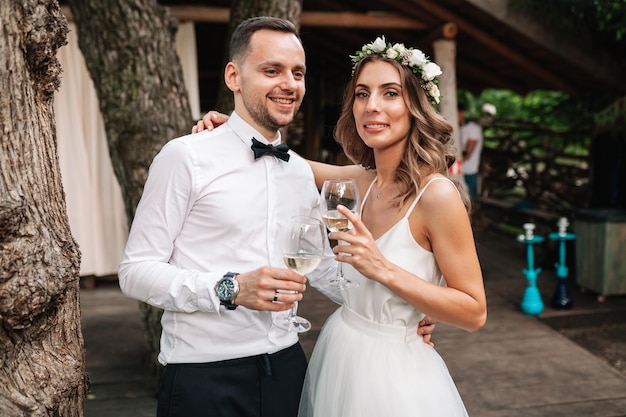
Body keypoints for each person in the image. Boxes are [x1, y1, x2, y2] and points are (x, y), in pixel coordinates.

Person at [120, 18, 434, 417]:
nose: (289, 83)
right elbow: (135, 271)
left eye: (297, 73)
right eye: (272, 70)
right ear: (234, 76)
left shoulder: (300, 172)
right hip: (203, 374)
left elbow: (319, 267)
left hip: (288, 367)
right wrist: (229, 288)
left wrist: (399, 312)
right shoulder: (185, 157)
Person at [195, 36, 487, 416]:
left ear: (415, 106)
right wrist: (235, 130)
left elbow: (474, 311)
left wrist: (382, 269)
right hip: (341, 350)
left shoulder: (436, 196)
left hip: (395, 375)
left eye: (391, 93)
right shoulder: (360, 181)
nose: (372, 106)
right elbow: (287, 161)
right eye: (363, 94)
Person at [459, 102, 496, 200]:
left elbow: (467, 155)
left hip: (468, 171)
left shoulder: (473, 129)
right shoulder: (460, 127)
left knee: (467, 200)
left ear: (462, 113)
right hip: (458, 170)